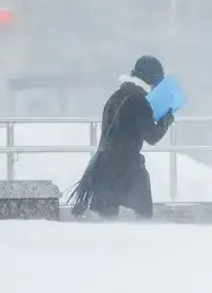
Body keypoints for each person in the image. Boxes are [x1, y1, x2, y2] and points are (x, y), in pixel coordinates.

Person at [69, 55, 174, 220]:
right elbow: (153, 136)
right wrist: (166, 119)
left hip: (103, 165)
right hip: (127, 168)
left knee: (107, 219)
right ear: (150, 80)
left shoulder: (116, 96)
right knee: (143, 216)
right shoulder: (140, 101)